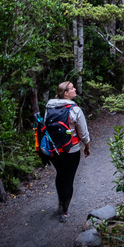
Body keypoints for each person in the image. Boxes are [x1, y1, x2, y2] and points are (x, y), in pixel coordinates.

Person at [45, 81, 90, 222]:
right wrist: (87, 146)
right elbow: (83, 133)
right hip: (71, 149)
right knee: (69, 178)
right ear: (66, 93)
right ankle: (65, 210)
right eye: (72, 88)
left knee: (60, 174)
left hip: (54, 150)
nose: (75, 89)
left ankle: (60, 202)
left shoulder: (49, 107)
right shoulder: (75, 110)